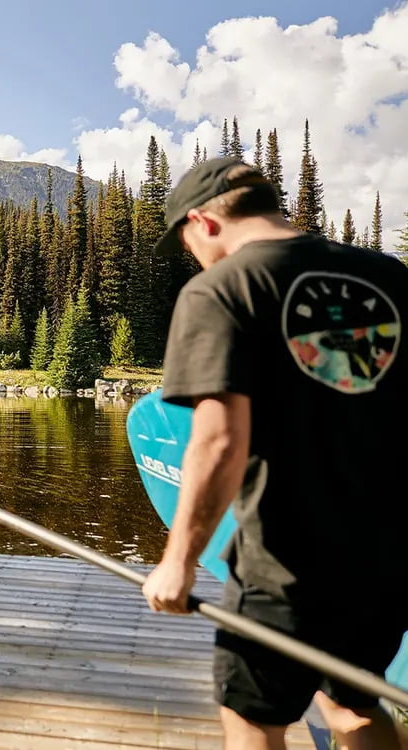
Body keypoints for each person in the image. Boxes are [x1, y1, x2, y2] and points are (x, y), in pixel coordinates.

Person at [140, 156, 408, 750]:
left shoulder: (222, 288)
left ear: (204, 222)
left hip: (285, 563)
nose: (191, 255)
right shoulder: (389, 276)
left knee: (252, 717)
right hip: (388, 556)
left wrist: (178, 563)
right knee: (354, 705)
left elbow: (219, 440)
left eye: (184, 240)